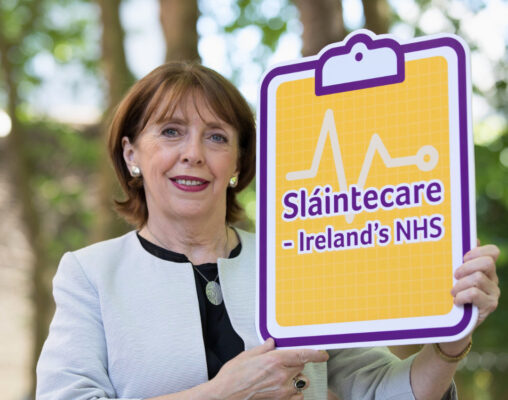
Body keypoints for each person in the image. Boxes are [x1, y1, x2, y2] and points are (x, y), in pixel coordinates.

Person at [36, 62, 500, 400]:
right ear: (132, 154)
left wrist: (449, 343)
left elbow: (381, 390)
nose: (194, 153)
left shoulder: (297, 261)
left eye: (216, 136)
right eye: (171, 132)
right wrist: (223, 394)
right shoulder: (89, 275)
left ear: (238, 162)